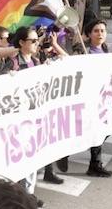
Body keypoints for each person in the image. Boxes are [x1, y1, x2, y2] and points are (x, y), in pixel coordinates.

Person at [9, 26, 69, 186]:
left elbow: (66, 59)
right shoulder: (12, 62)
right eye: (33, 40)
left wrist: (53, 49)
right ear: (21, 42)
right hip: (21, 115)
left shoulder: (37, 61)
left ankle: (47, 173)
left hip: (37, 112)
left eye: (38, 40)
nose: (37, 43)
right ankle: (24, 190)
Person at [81, 19, 112, 178]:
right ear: (88, 34)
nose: (100, 33)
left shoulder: (106, 50)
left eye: (102, 30)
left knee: (105, 130)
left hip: (105, 98)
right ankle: (95, 164)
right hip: (90, 99)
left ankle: (94, 163)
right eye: (96, 31)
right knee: (97, 130)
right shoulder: (84, 51)